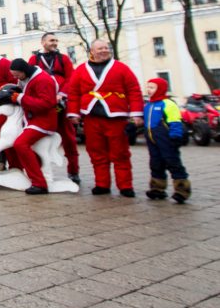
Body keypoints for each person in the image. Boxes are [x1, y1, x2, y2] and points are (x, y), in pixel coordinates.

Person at [66, 39, 143, 197]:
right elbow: (73, 93)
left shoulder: (121, 68)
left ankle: (125, 185)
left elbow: (134, 90)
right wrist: (73, 113)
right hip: (91, 117)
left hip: (115, 117)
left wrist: (136, 112)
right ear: (92, 51)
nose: (104, 51)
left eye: (106, 48)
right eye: (100, 48)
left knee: (120, 153)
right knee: (96, 152)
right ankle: (102, 184)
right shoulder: (81, 70)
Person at [0, 58, 60, 195]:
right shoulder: (27, 78)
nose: (16, 78)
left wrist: (20, 98)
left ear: (24, 71)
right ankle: (36, 174)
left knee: (20, 144)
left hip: (43, 121)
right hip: (32, 120)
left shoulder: (43, 80)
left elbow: (46, 103)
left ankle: (39, 183)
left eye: (17, 75)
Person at [28, 32, 79, 182]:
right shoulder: (34, 59)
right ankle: (37, 171)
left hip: (61, 104)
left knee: (69, 138)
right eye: (51, 40)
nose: (54, 43)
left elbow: (72, 79)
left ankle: (73, 171)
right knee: (37, 137)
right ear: (43, 42)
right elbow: (29, 80)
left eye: (56, 40)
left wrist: (62, 94)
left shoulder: (63, 59)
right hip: (42, 105)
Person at [142, 78, 191, 203]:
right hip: (152, 140)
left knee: (173, 163)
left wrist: (175, 136)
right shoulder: (148, 105)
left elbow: (175, 121)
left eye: (152, 87)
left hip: (166, 140)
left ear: (161, 89)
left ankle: (182, 190)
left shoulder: (168, 103)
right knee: (155, 164)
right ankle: (157, 188)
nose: (149, 90)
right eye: (148, 87)